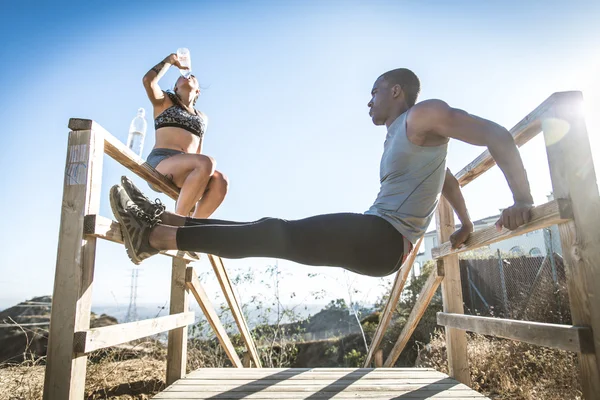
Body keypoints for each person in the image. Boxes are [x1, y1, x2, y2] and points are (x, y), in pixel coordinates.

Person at [110, 68, 534, 274]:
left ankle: (158, 236)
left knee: (276, 232)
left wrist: (523, 200)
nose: (369, 102)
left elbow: (496, 134)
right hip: (381, 241)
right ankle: (164, 223)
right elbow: (443, 178)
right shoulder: (403, 138)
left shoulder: (424, 115)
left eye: (373, 93)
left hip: (385, 239)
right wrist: (461, 223)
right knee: (270, 230)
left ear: (396, 91)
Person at [142, 53, 228, 219]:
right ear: (175, 88)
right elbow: (148, 80)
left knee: (221, 181)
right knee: (207, 161)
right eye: (180, 79)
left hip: (188, 166)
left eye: (193, 77)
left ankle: (193, 228)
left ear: (198, 91)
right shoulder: (165, 102)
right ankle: (177, 224)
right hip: (161, 162)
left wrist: (198, 181)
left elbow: (197, 151)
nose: (189, 77)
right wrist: (170, 61)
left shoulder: (202, 117)